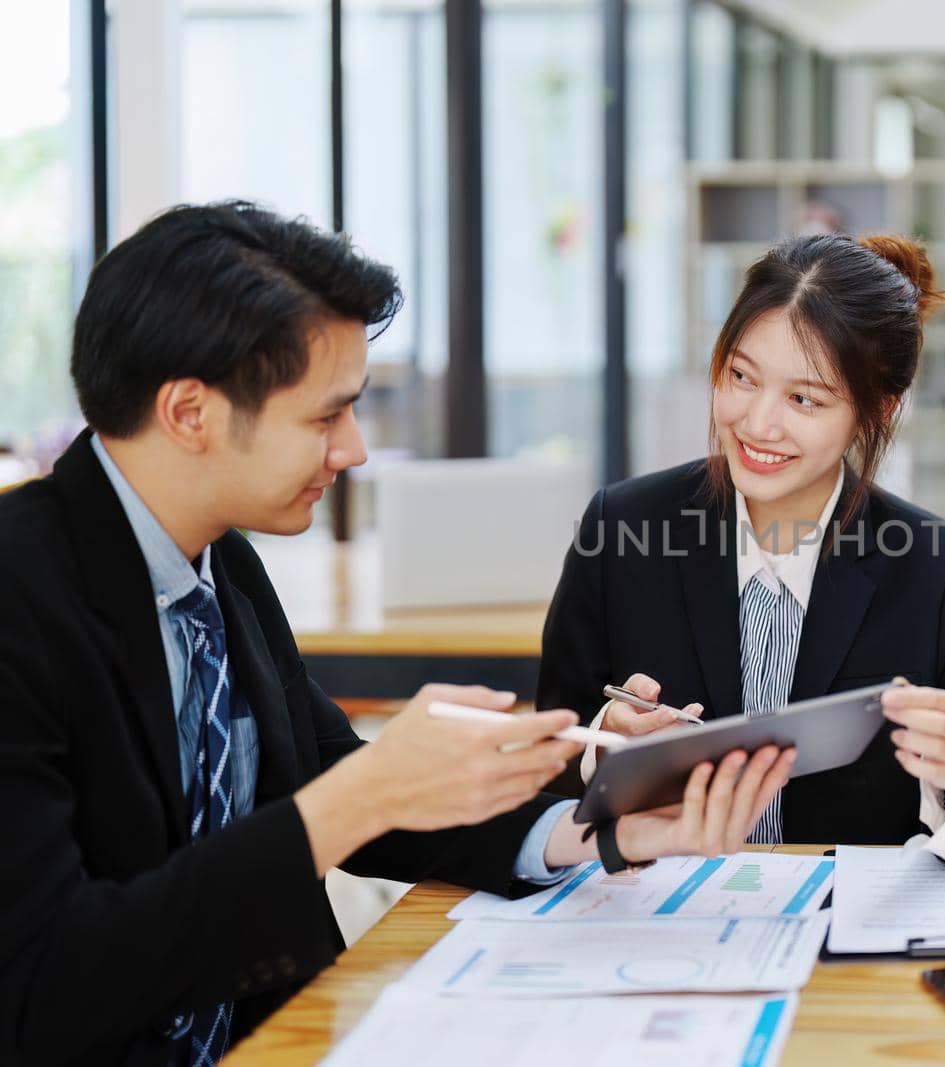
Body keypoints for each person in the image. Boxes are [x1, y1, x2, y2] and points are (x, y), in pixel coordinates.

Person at [0, 201, 793, 1067]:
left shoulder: (218, 562)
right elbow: (45, 982)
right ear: (191, 412)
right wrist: (370, 788)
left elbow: (331, 776)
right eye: (325, 417)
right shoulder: (22, 596)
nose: (355, 450)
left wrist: (601, 829)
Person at [539, 232, 945, 861]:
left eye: (803, 399)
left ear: (879, 410)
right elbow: (541, 777)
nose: (758, 424)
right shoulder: (620, 532)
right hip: (663, 921)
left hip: (846, 935)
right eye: (740, 376)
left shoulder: (940, 571)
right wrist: (600, 746)